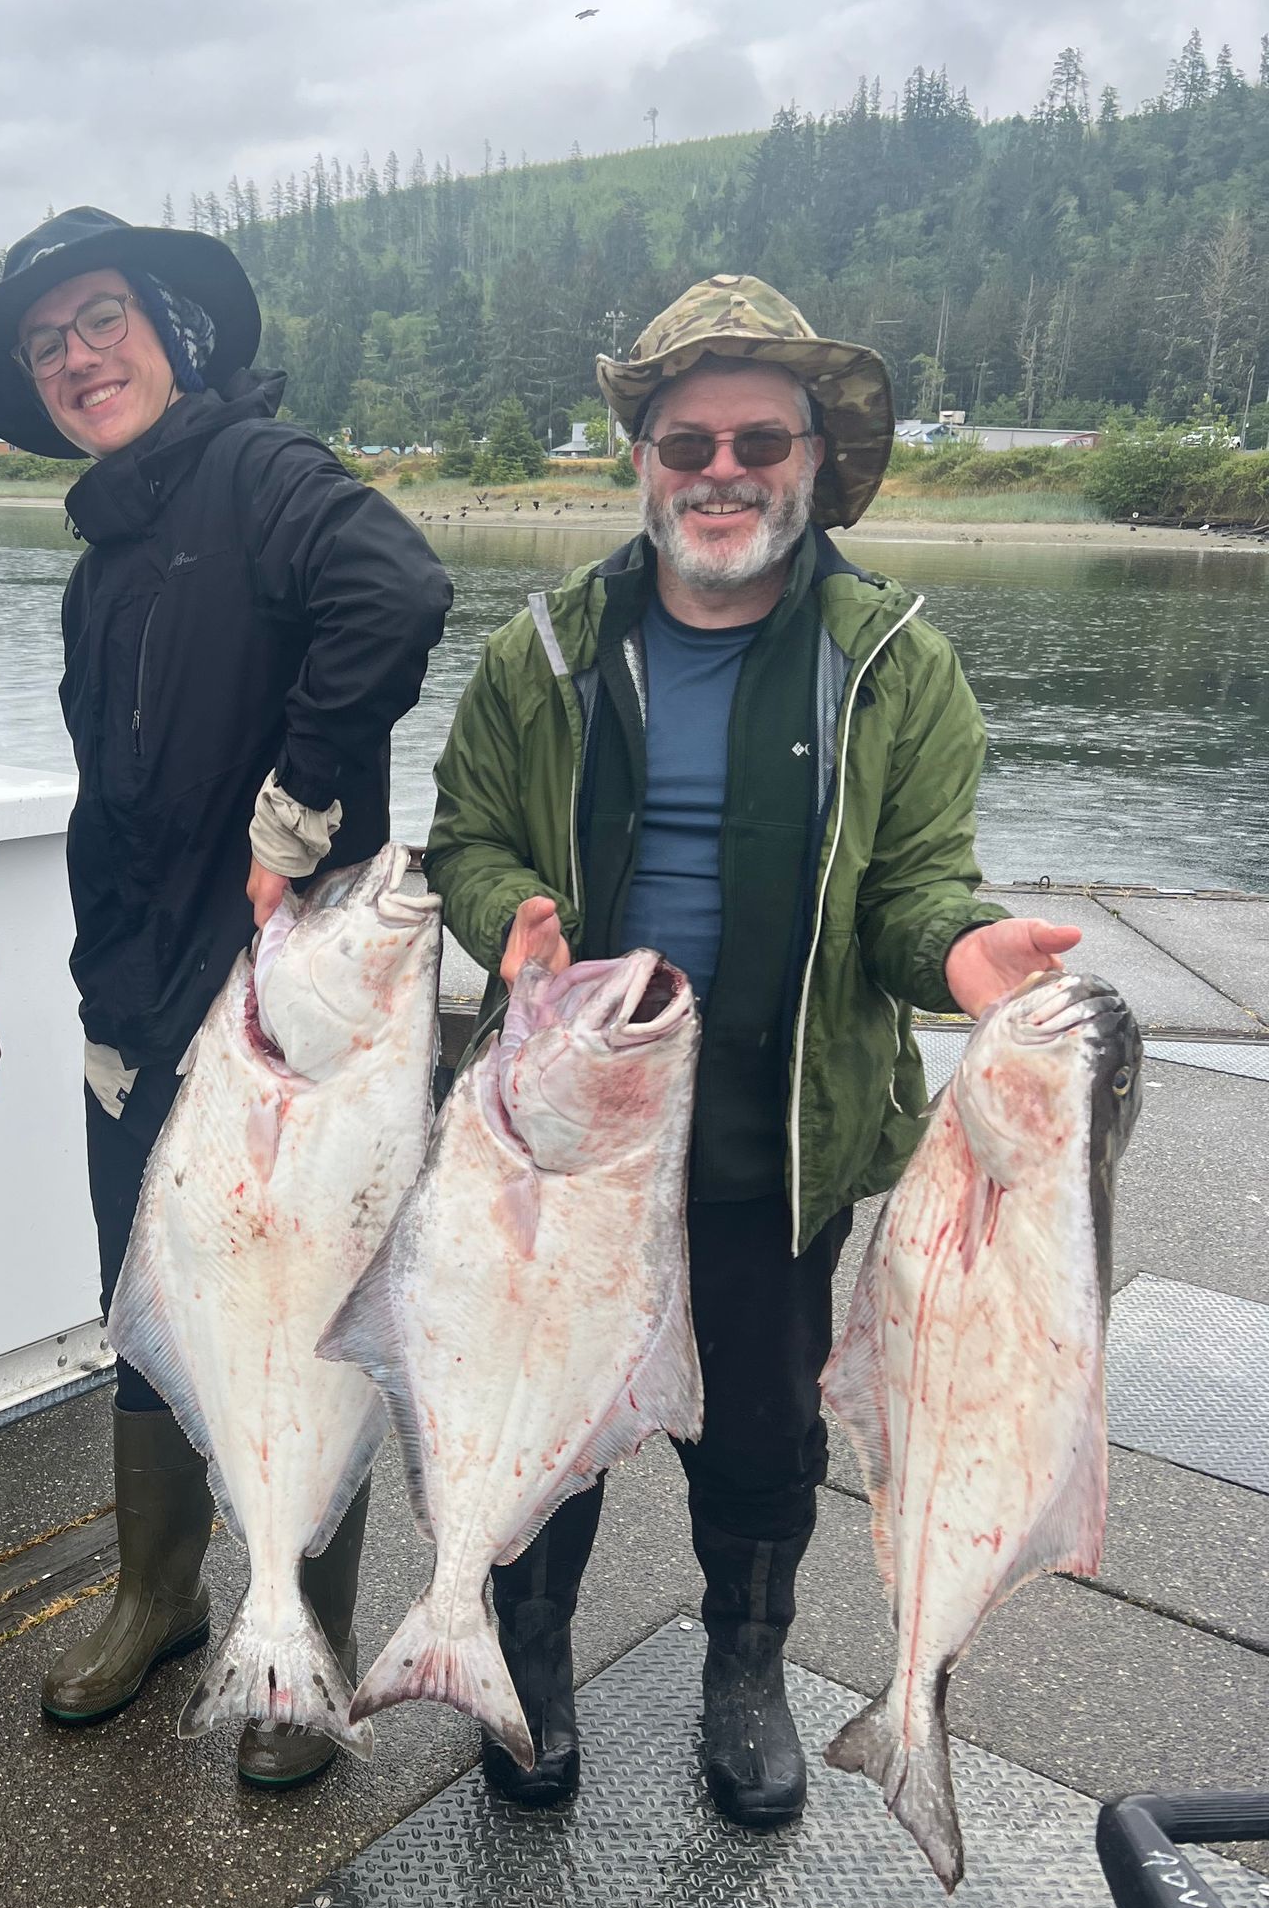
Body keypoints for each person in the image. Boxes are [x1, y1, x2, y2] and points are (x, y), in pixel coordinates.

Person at [427, 274, 1080, 1816]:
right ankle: (523, 1655)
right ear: (642, 458)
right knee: (552, 1413)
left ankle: (747, 1665)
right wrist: (508, 908)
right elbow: (461, 835)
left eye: (757, 440)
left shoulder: (896, 662)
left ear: (811, 458)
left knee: (765, 1430)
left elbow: (918, 885)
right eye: (686, 440)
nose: (721, 469)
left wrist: (962, 952)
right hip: (571, 1125)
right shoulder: (543, 649)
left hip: (773, 1130)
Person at [0, 208, 451, 1786]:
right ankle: (159, 1596)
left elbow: (398, 591)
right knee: (153, 1310)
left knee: (314, 1314)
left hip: (295, 1019)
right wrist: (104, 995)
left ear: (172, 326)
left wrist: (295, 816)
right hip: (140, 1009)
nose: (78, 358)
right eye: (47, 345)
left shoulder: (266, 473)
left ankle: (305, 1642)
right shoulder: (104, 549)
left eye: (100, 321)